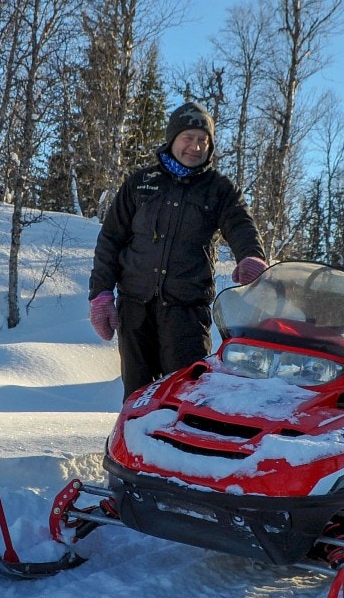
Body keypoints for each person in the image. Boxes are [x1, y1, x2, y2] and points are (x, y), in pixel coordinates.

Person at [89, 101, 267, 396]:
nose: (195, 147)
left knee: (186, 398)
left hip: (186, 314)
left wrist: (251, 256)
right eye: (188, 138)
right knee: (136, 397)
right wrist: (101, 295)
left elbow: (240, 225)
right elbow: (110, 239)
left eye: (202, 140)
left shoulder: (218, 189)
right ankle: (133, 443)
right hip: (135, 310)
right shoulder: (141, 184)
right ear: (173, 139)